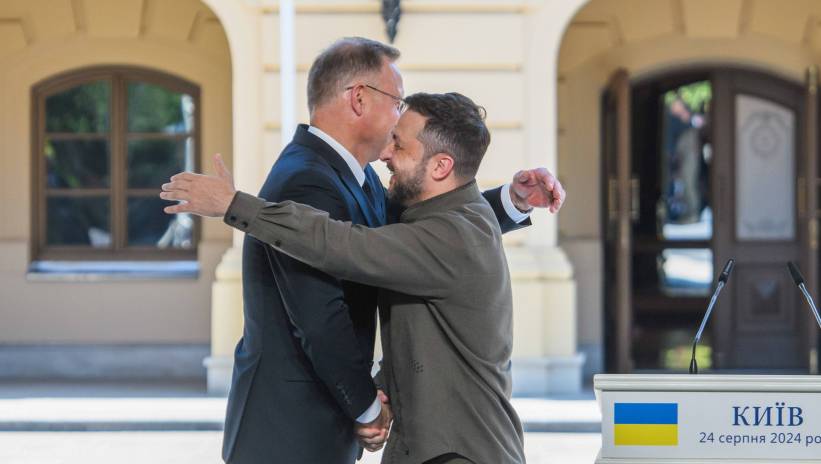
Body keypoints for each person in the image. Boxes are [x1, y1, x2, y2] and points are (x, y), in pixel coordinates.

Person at [164, 37, 564, 464]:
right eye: (397, 101)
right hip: (290, 433)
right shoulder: (309, 179)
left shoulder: (359, 179)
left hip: (439, 445)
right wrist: (366, 405)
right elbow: (320, 314)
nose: (395, 130)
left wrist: (510, 202)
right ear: (358, 99)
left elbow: (421, 236)